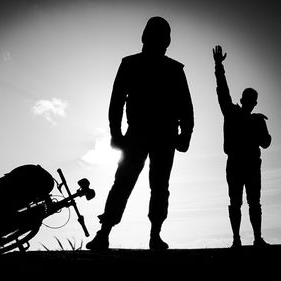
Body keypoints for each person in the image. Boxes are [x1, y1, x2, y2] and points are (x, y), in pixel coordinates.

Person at [86, 16, 194, 250]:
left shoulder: (174, 70)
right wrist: (116, 133)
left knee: (157, 186)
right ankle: (104, 233)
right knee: (124, 183)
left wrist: (185, 135)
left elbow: (186, 107)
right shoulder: (130, 64)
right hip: (138, 134)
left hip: (164, 136)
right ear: (146, 37)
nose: (159, 41)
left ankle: (153, 235)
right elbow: (116, 101)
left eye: (162, 37)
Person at [213, 45, 272, 248]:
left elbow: (265, 142)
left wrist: (219, 66)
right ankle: (244, 239)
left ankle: (246, 239)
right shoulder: (236, 114)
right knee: (243, 202)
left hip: (246, 165)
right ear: (253, 102)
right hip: (240, 164)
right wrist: (219, 67)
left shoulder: (250, 118)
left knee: (246, 202)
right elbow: (222, 91)